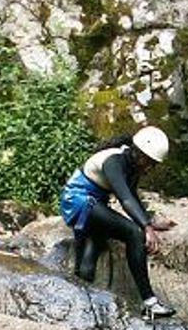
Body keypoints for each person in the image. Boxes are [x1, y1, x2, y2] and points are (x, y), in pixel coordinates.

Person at [59, 125, 177, 318]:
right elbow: (125, 198)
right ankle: (149, 302)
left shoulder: (132, 165)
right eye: (148, 162)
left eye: (152, 164)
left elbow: (132, 196)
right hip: (80, 203)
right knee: (134, 233)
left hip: (95, 205)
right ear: (138, 153)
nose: (149, 168)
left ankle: (81, 302)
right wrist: (145, 227)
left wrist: (147, 221)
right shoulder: (114, 161)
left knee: (92, 251)